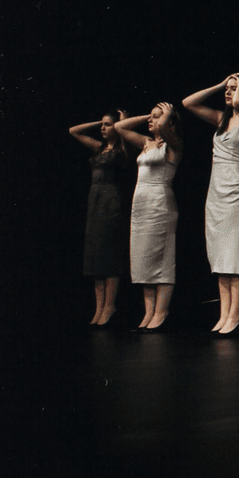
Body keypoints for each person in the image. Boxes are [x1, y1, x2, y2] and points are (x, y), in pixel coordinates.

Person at [182, 73, 239, 336]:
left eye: (234, 88)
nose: (229, 93)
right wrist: (220, 84)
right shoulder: (221, 119)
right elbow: (188, 103)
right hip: (217, 188)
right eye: (227, 89)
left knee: (237, 251)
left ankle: (236, 313)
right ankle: (223, 314)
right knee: (220, 253)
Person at [114, 103, 184, 332]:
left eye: (157, 118)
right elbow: (119, 126)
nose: (151, 121)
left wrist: (165, 115)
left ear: (170, 121)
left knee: (161, 258)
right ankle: (148, 312)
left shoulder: (174, 144)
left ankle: (161, 311)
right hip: (141, 205)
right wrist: (148, 115)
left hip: (160, 203)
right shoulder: (146, 143)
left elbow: (164, 126)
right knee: (144, 258)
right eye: (150, 118)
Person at [68, 110, 130, 326]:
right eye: (101, 125)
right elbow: (73, 131)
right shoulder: (99, 147)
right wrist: (101, 121)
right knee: (95, 254)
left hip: (110, 201)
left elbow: (126, 150)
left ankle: (110, 305)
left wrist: (121, 125)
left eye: (107, 125)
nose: (102, 128)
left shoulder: (123, 147)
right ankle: (99, 307)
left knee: (109, 252)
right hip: (94, 201)